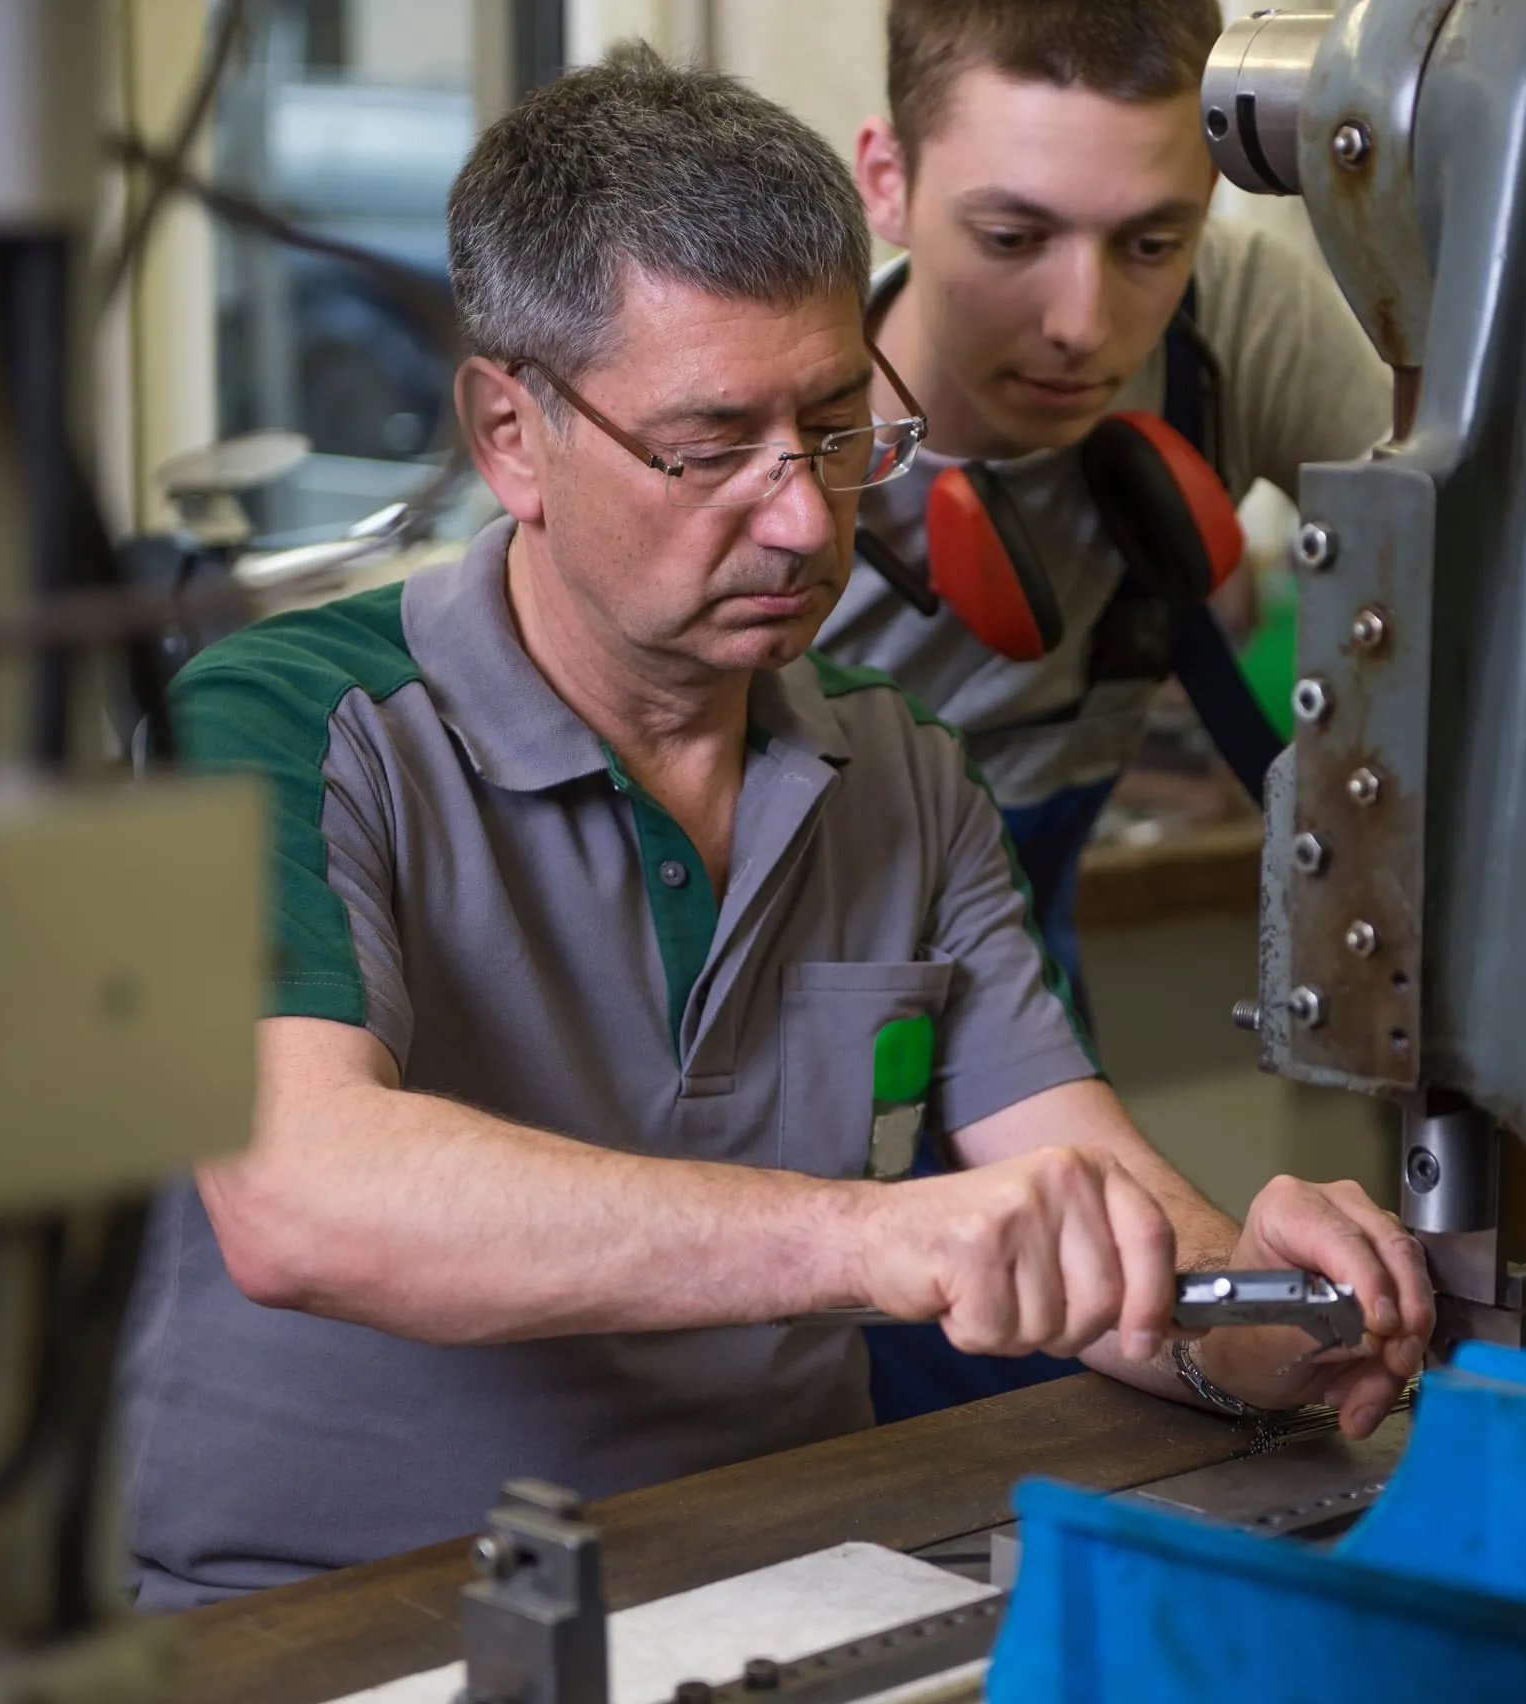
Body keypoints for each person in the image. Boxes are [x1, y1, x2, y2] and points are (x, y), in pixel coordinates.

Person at [116, 48, 1429, 1610]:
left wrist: (1274, 1312)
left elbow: (1097, 1223)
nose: (807, 518)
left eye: (830, 428)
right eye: (709, 445)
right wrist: (874, 1241)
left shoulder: (904, 774)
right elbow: (301, 1199)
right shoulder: (274, 730)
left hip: (805, 1588)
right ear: (509, 434)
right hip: (332, 1625)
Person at [813, 0, 1395, 1423]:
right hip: (788, 984)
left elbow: (1462, 588)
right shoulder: (787, 437)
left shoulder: (1228, 328)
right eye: (1011, 239)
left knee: (1070, 1380)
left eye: (1151, 242)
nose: (1086, 326)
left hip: (1023, 942)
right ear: (884, 180)